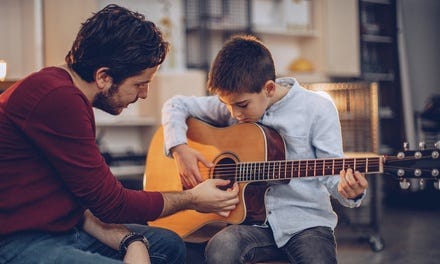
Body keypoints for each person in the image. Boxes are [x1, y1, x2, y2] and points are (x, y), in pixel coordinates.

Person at [0, 4, 239, 264]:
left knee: (169, 245)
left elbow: (87, 200)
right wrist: (193, 199)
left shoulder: (65, 92)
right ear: (103, 77)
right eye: (140, 83)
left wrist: (130, 239)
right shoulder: (58, 98)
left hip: (67, 227)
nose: (144, 94)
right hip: (20, 239)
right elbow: (112, 203)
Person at [161, 35, 369, 264]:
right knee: (222, 247)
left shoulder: (317, 108)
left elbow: (332, 175)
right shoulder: (235, 102)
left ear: (269, 88)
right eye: (227, 105)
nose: (232, 114)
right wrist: (179, 148)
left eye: (241, 105)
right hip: (249, 225)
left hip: (306, 223)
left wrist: (351, 191)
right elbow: (175, 105)